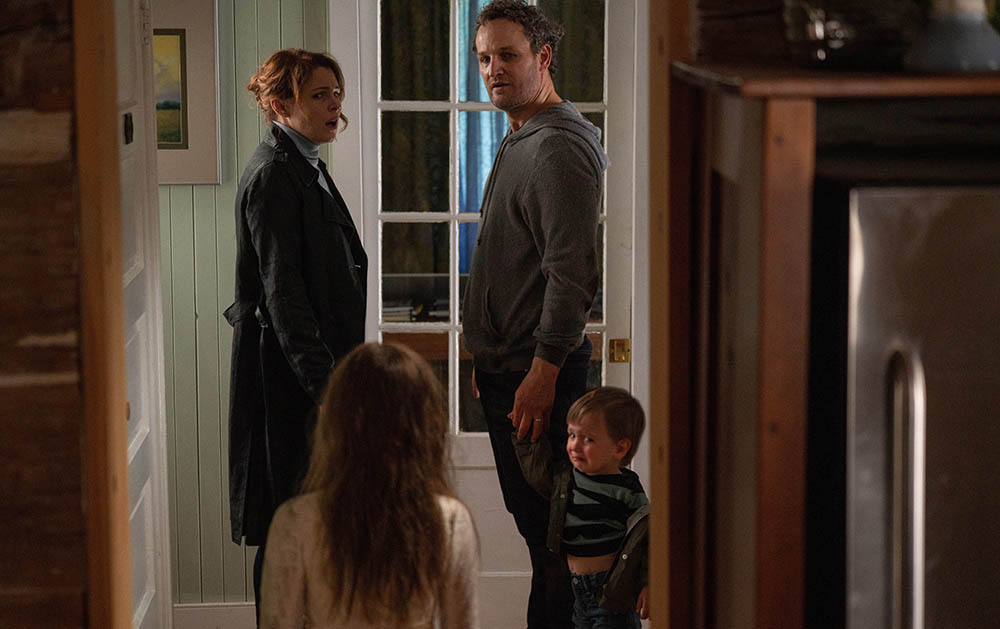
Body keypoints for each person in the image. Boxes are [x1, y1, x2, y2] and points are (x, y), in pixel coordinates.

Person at [462, 1, 608, 626]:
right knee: (541, 540)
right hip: (510, 371)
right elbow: (513, 263)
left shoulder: (557, 146)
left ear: (543, 57)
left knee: (560, 549)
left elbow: (571, 275)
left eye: (507, 55)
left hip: (538, 378)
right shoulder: (521, 133)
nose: (492, 69)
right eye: (483, 58)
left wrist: (543, 372)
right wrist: (486, 354)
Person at [223, 48, 367, 622]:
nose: (334, 105)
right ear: (280, 105)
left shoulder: (305, 162)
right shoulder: (273, 176)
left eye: (336, 93)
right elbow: (284, 297)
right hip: (288, 382)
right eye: (319, 95)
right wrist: (327, 389)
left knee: (313, 522)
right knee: (286, 524)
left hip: (311, 375)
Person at [258, 342, 480, 628]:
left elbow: (278, 623)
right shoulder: (450, 521)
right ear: (426, 426)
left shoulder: (295, 521)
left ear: (335, 422)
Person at [514, 387, 650, 628]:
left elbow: (647, 539)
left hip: (611, 596)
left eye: (588, 439)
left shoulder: (626, 488)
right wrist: (524, 439)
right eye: (572, 435)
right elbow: (537, 475)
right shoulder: (568, 479)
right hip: (577, 592)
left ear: (619, 448)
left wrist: (648, 583)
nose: (575, 446)